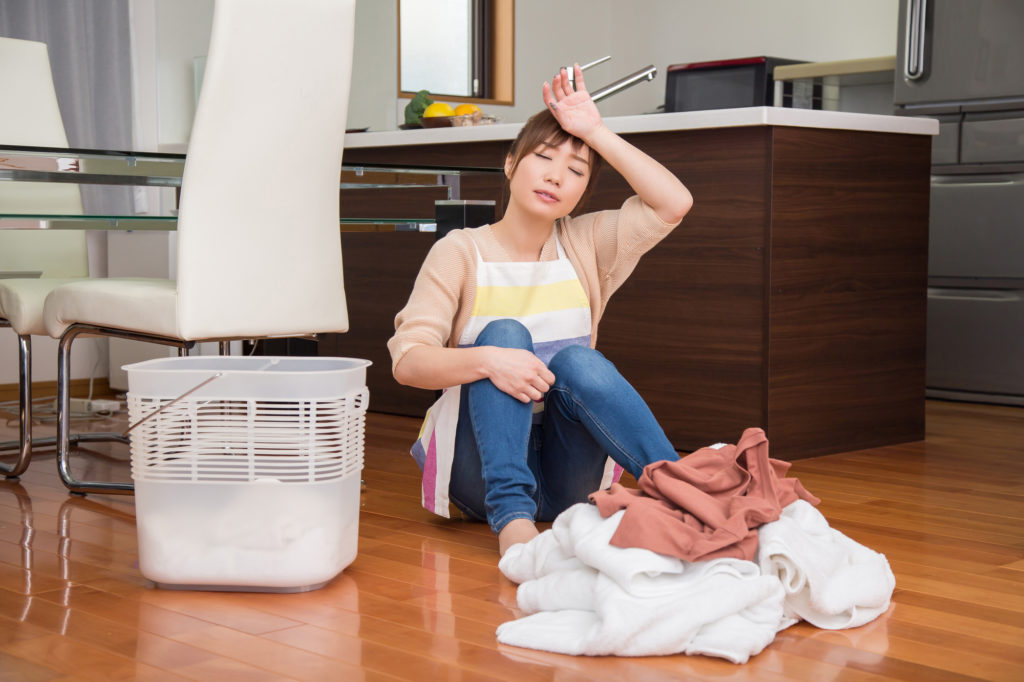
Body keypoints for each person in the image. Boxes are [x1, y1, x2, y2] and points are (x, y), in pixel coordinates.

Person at [388, 64, 694, 555]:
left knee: (579, 363)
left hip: (568, 476)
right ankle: (513, 521)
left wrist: (593, 131)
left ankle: (684, 491)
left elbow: (673, 203)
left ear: (579, 195)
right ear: (510, 164)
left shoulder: (586, 245)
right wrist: (489, 360)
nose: (556, 175)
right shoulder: (461, 251)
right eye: (544, 158)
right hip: (481, 474)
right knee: (504, 335)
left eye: (575, 171)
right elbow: (408, 362)